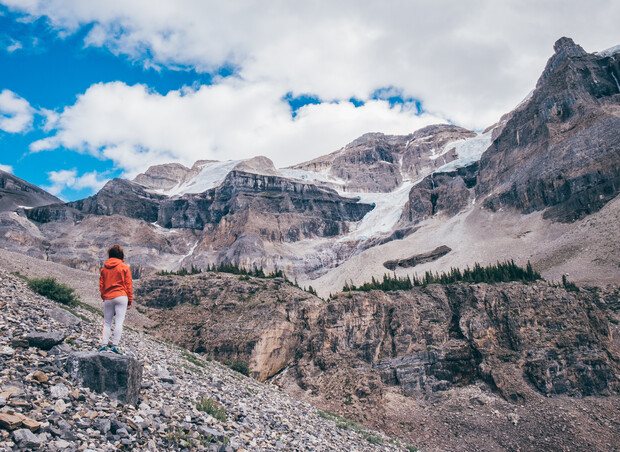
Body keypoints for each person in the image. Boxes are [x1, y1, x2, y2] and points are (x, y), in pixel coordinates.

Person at [99, 244, 133, 354]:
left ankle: (104, 345)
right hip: (121, 296)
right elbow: (128, 285)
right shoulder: (124, 267)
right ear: (121, 255)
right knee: (119, 322)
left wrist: (104, 296)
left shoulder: (104, 269)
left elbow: (101, 285)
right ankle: (115, 345)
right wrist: (130, 300)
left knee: (107, 322)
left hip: (108, 297)